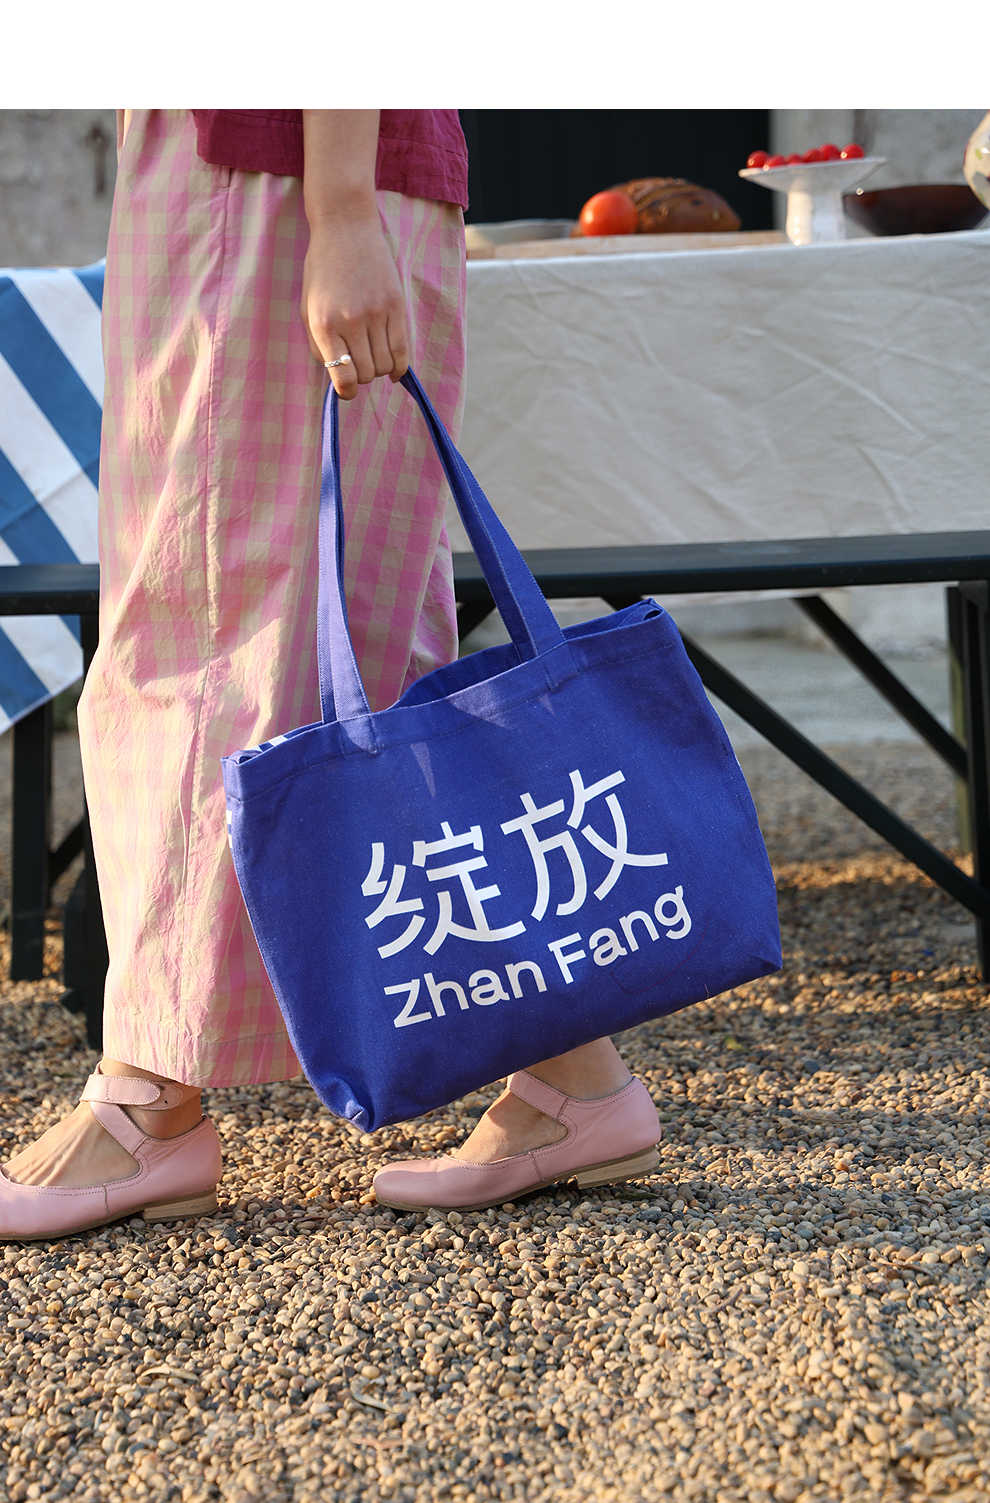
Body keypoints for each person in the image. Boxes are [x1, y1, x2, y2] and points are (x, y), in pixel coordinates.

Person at [0, 109, 660, 1240]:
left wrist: (342, 210)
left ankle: (150, 1103)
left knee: (216, 640)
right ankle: (572, 1074)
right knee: (351, 643)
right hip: (280, 168)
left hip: (273, 174)